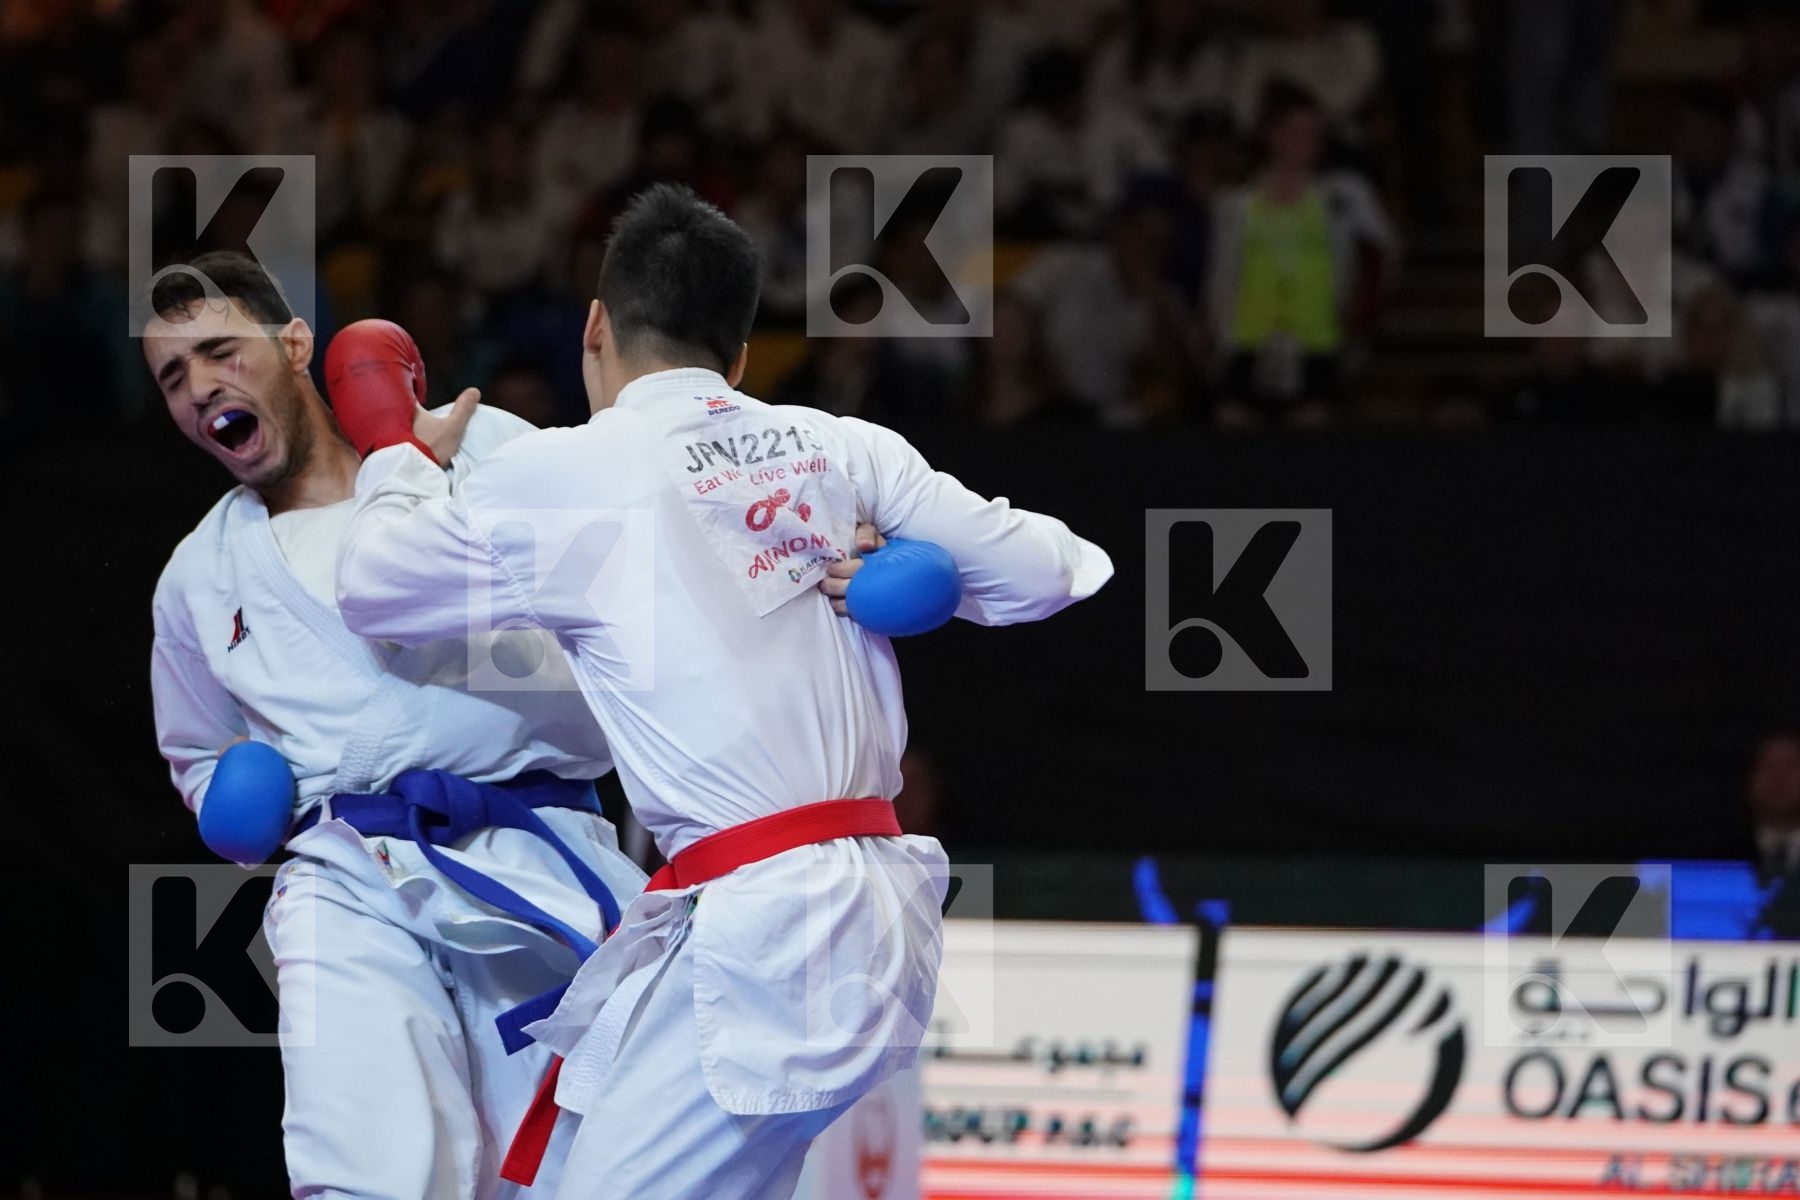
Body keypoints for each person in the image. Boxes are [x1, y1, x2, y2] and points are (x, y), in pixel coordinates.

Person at [332, 184, 1114, 1198]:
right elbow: (1060, 568)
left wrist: (399, 454)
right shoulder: (842, 446)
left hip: (776, 931)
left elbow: (370, 586)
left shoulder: (570, 472)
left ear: (596, 327)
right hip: (845, 914)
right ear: (740, 358)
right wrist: (913, 565)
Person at [143, 252, 650, 1198]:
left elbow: (639, 552)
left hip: (538, 853)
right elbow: (199, 751)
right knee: (364, 1162)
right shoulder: (198, 578)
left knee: (573, 1171)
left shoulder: (466, 448)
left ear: (295, 344)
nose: (200, 385)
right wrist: (227, 802)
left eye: (218, 351)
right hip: (349, 871)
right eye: (175, 376)